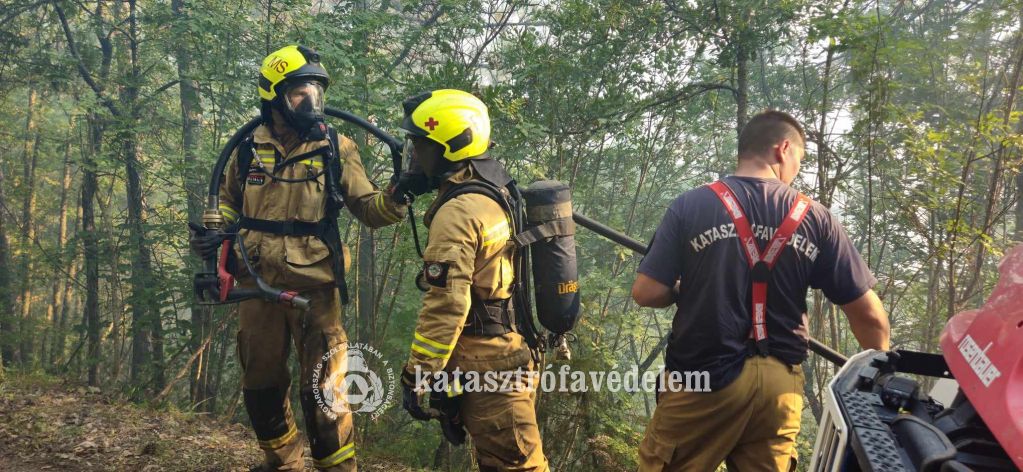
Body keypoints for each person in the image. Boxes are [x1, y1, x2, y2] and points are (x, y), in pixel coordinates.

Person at [631, 110, 890, 471]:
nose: (796, 170)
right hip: (779, 387)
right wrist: (877, 383)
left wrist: (680, 290)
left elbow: (646, 292)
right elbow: (870, 318)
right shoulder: (817, 219)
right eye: (799, 159)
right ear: (783, 149)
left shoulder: (691, 205)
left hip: (703, 377)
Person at [189, 45, 407, 472]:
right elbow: (230, 203)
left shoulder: (335, 147)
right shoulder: (248, 147)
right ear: (273, 97)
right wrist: (215, 233)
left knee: (326, 388)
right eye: (298, 93)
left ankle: (338, 468)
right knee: (260, 382)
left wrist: (401, 192)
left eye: (315, 92)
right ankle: (283, 461)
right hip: (254, 283)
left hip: (315, 286)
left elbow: (372, 210)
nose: (310, 102)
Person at [393, 89, 549, 471]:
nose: (414, 155)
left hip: (488, 366)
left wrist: (418, 373)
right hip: (505, 351)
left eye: (421, 145)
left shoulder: (459, 212)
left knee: (518, 466)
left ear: (450, 147)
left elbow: (448, 304)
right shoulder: (491, 190)